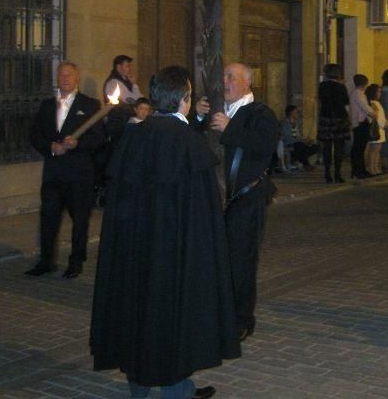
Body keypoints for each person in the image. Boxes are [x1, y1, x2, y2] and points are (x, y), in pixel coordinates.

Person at [90, 66, 238, 399]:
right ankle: (176, 389)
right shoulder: (186, 142)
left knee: (137, 311)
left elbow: (117, 203)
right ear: (184, 100)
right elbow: (202, 214)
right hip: (175, 254)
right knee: (173, 315)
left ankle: (141, 387)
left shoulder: (133, 137)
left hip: (135, 252)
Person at [195, 63, 278, 342]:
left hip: (247, 197)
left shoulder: (259, 113)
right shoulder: (217, 110)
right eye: (223, 77)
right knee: (216, 259)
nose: (225, 81)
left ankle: (242, 319)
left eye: (231, 77)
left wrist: (230, 128)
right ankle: (216, 311)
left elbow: (264, 146)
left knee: (241, 261)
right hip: (216, 199)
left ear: (247, 83)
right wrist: (196, 117)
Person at [26, 62, 105, 278]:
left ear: (77, 77)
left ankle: (76, 261)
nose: (65, 78)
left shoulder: (89, 105)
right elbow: (35, 135)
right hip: (53, 173)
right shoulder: (47, 106)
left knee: (80, 219)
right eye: (61, 75)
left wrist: (78, 144)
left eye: (69, 74)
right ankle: (46, 261)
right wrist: (50, 147)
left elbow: (98, 137)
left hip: (79, 173)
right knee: (49, 216)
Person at [317, 63, 351, 183]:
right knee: (339, 147)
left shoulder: (322, 86)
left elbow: (320, 99)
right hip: (339, 117)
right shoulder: (341, 87)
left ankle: (327, 174)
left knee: (327, 147)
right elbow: (346, 102)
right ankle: (337, 174)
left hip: (326, 117)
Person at [349, 73, 376, 179]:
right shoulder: (357, 94)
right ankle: (357, 170)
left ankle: (361, 170)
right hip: (359, 123)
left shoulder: (360, 93)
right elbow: (364, 107)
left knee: (361, 148)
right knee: (358, 148)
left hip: (363, 122)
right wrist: (373, 114)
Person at [280, 105, 318, 171]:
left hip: (297, 143)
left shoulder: (295, 124)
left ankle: (298, 159)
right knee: (300, 146)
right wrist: (302, 141)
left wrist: (306, 140)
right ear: (291, 113)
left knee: (315, 147)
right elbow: (288, 137)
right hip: (289, 144)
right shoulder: (284, 124)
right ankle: (306, 164)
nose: (298, 114)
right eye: (296, 112)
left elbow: (298, 136)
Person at [365, 84, 388, 176]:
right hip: (377, 129)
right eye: (378, 91)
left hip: (381, 128)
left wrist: (385, 122)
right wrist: (383, 123)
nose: (380, 93)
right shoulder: (373, 103)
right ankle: (371, 168)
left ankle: (376, 167)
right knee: (373, 150)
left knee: (378, 150)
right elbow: (376, 117)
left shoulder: (377, 103)